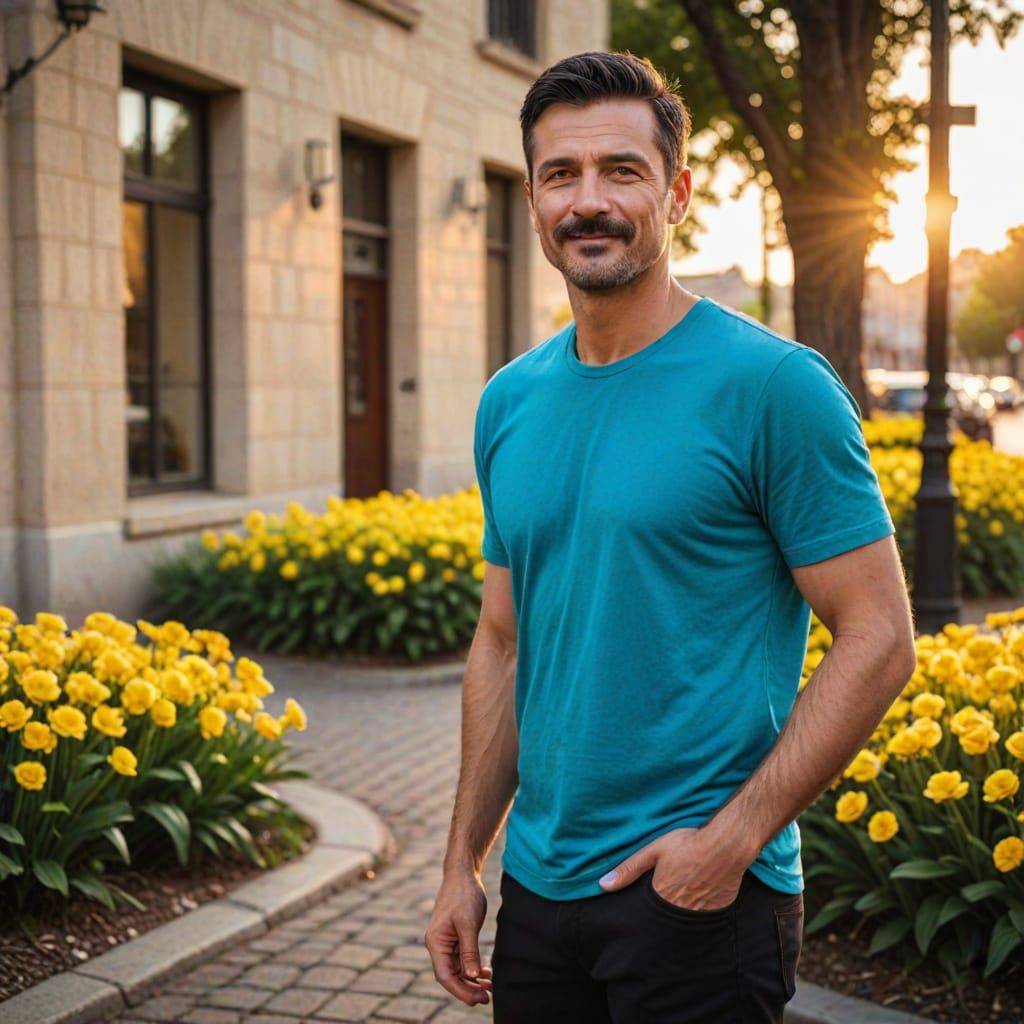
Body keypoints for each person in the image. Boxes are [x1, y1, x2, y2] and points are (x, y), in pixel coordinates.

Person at [424, 51, 916, 1024]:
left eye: (621, 170)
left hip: (699, 902)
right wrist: (460, 864)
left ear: (677, 191)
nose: (587, 201)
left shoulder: (773, 387)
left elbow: (877, 636)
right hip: (537, 895)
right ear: (532, 199)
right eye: (560, 174)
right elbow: (504, 639)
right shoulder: (508, 401)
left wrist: (729, 842)